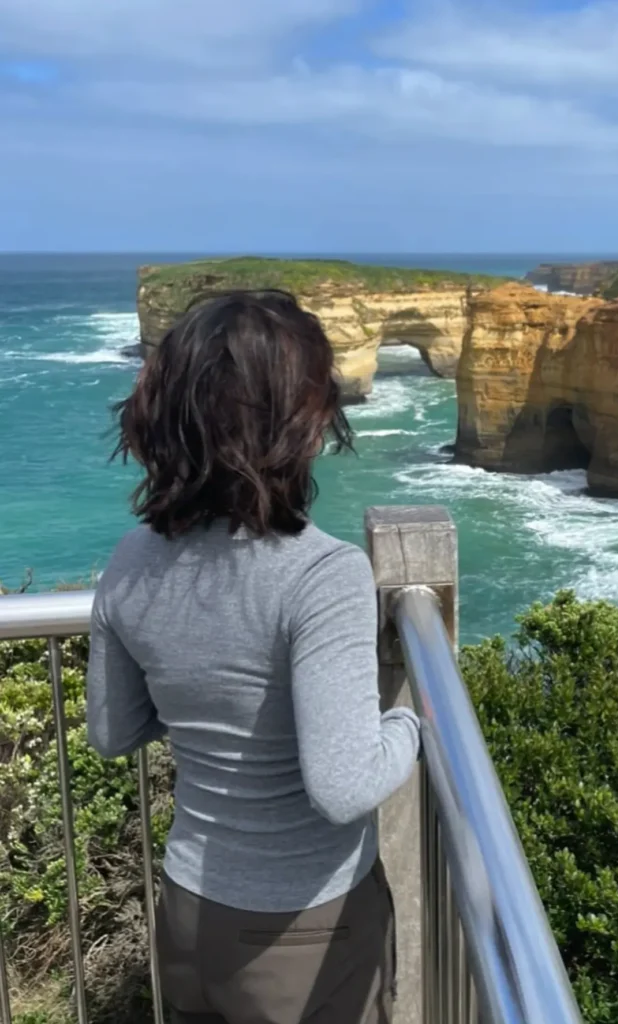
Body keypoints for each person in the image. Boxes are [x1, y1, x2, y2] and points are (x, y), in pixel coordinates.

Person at [86, 290, 421, 1024]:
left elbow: (113, 731)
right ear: (295, 421)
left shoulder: (131, 560)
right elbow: (342, 785)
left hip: (187, 912)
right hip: (305, 927)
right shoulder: (321, 574)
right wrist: (412, 728)